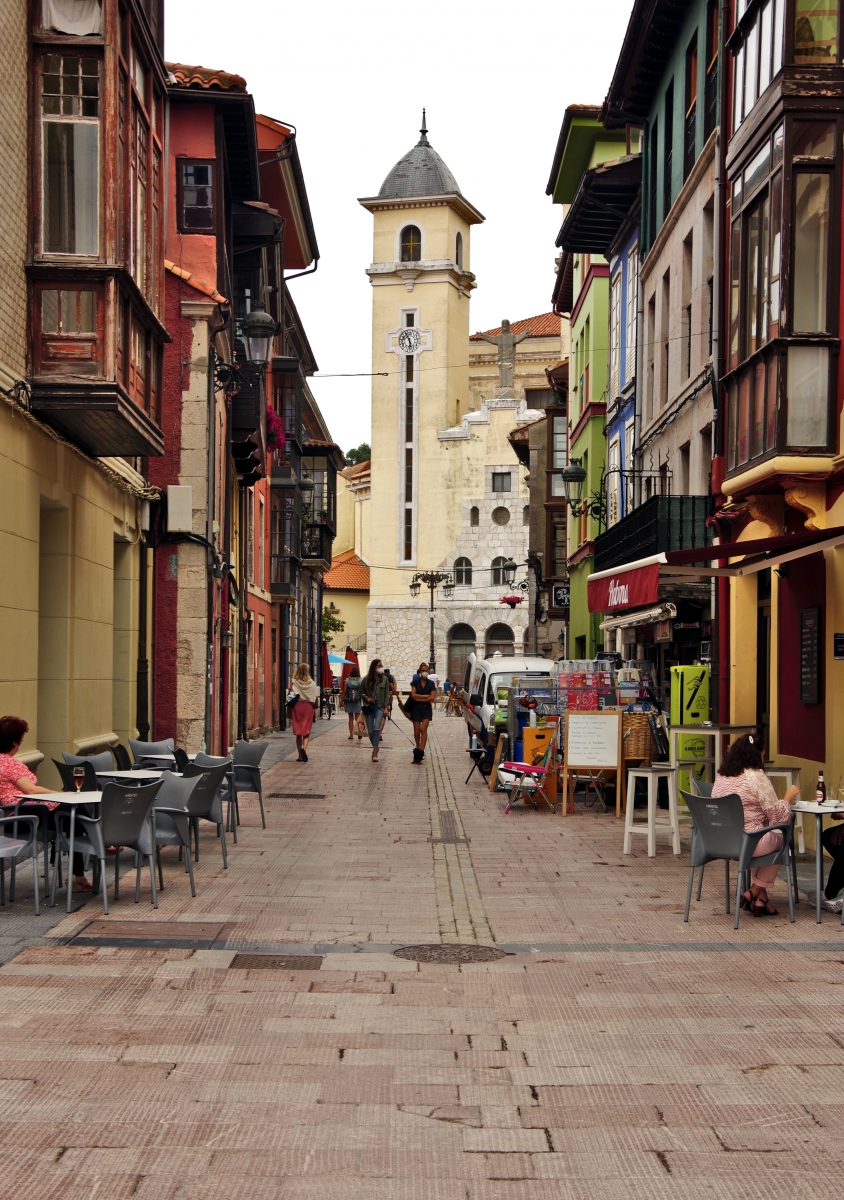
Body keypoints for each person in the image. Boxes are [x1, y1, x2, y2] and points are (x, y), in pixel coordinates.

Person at [0, 715, 92, 892]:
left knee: (72, 819)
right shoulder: (10, 763)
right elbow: (31, 790)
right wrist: (60, 794)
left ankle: (77, 876)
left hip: (9, 819)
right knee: (73, 808)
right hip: (26, 816)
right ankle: (101, 839)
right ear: (14, 742)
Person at [711, 732, 798, 916]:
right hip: (748, 842)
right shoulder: (756, 777)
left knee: (759, 837)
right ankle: (753, 891)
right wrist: (787, 798)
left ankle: (761, 899)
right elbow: (777, 817)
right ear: (758, 755)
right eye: (763, 755)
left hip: (722, 841)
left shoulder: (722, 776)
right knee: (783, 843)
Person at [287, 664, 319, 762]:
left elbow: (290, 694)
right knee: (306, 731)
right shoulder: (312, 683)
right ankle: (304, 749)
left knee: (298, 732)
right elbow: (315, 697)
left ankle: (300, 756)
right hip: (308, 707)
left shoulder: (294, 683)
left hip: (297, 706)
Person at [361, 659, 390, 762]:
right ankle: (376, 746)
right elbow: (361, 692)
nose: (381, 667)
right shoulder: (366, 679)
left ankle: (375, 751)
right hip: (369, 706)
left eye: (381, 665)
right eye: (379, 665)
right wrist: (366, 697)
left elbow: (387, 694)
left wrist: (386, 707)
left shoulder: (385, 679)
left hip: (380, 706)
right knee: (370, 732)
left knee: (377, 728)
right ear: (374, 667)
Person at [409, 662, 436, 764]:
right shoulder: (415, 682)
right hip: (416, 708)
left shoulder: (431, 683)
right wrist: (426, 697)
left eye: (426, 670)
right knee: (416, 732)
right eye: (423, 670)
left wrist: (420, 698)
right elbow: (413, 695)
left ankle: (421, 751)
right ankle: (417, 745)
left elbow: (432, 697)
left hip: (426, 709)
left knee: (423, 729)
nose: (424, 672)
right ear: (420, 671)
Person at [344, 669, 363, 741]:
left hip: (349, 701)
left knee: (350, 718)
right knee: (357, 718)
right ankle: (358, 733)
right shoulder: (360, 680)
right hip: (357, 701)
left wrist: (342, 699)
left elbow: (345, 691)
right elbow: (362, 690)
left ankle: (351, 734)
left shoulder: (347, 680)